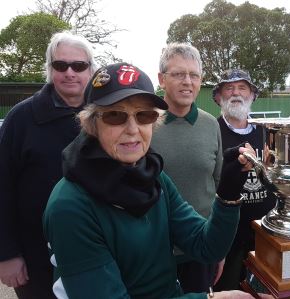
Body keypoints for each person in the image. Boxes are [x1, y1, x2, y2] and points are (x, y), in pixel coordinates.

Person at [42, 62, 255, 299]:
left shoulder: (154, 177)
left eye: (144, 115)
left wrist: (228, 194)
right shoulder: (70, 206)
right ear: (91, 124)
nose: (133, 129)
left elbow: (206, 246)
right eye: (115, 115)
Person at [0, 31, 97, 299]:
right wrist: (6, 253)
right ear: (49, 68)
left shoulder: (105, 116)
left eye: (78, 66)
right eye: (60, 65)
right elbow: (2, 187)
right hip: (36, 257)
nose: (70, 72)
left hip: (94, 252)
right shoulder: (21, 118)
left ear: (91, 69)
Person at [152, 43, 223, 293]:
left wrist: (217, 247)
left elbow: (216, 187)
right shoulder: (143, 124)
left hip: (199, 249)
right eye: (178, 74)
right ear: (161, 79)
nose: (187, 81)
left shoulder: (211, 124)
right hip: (153, 251)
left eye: (193, 75)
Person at [212, 69, 277, 291]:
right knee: (228, 291)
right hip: (227, 237)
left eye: (242, 88)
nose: (236, 93)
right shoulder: (212, 130)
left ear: (252, 95)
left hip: (264, 235)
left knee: (265, 290)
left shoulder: (267, 131)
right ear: (219, 97)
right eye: (229, 88)